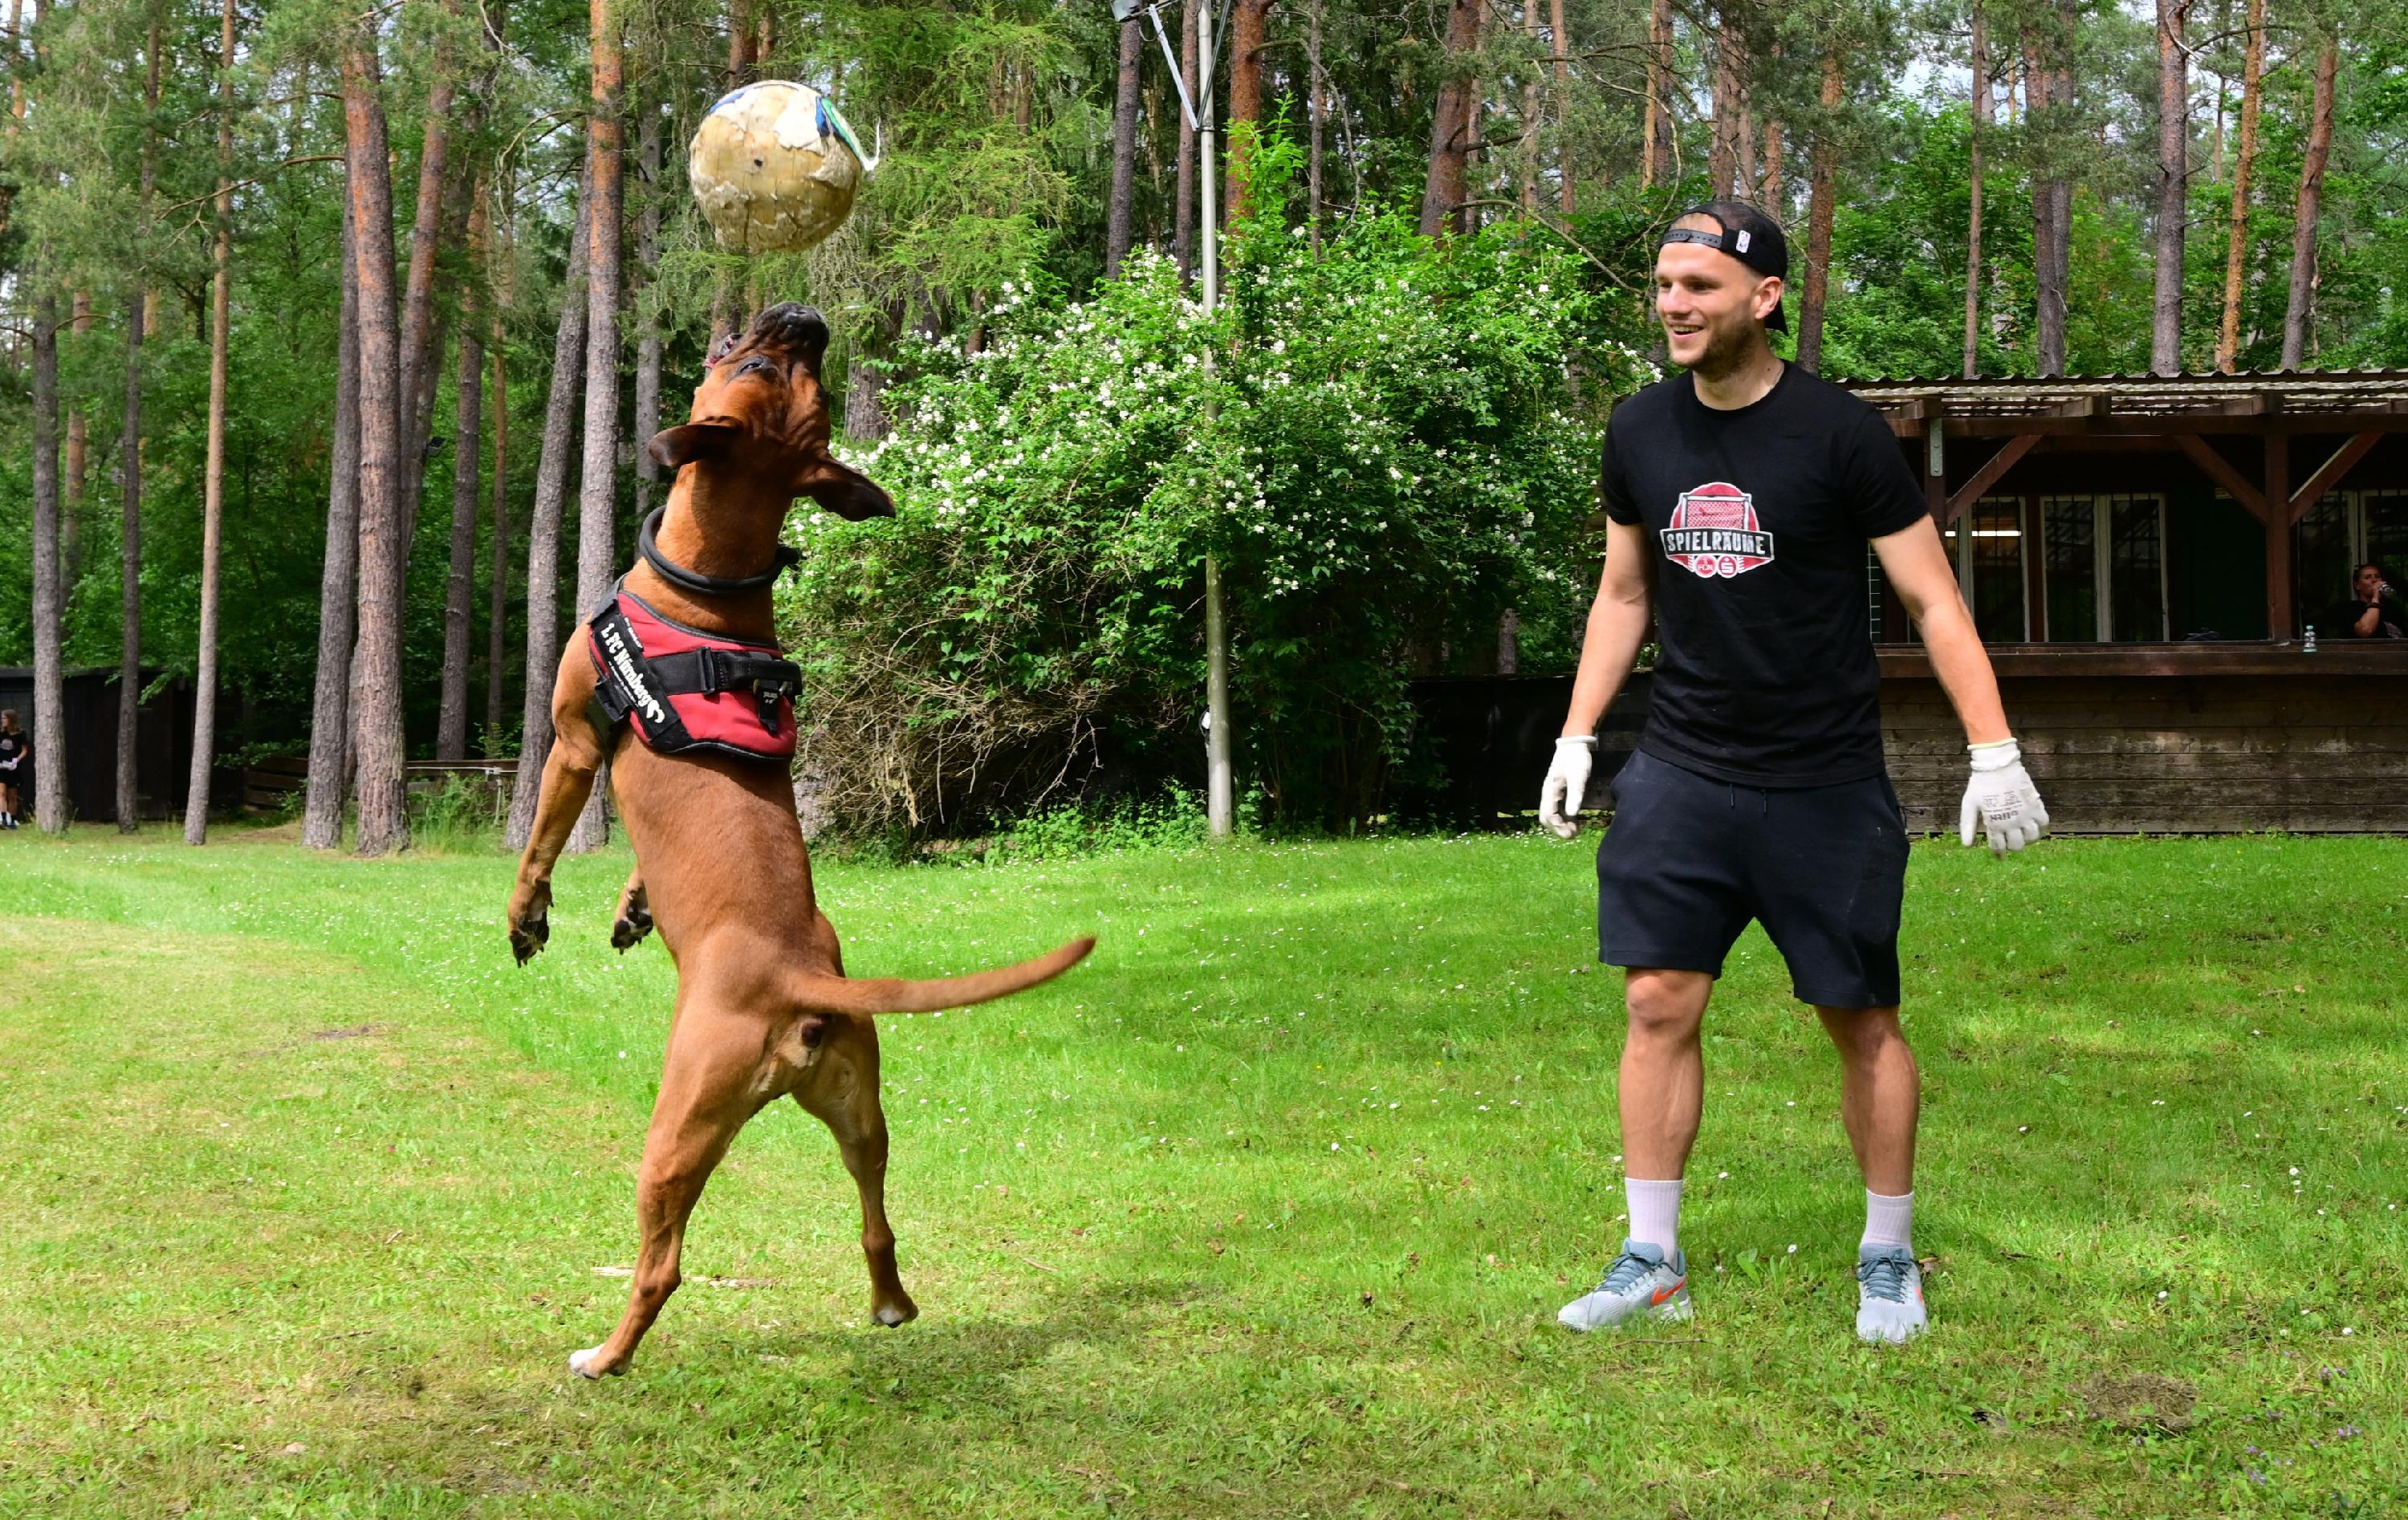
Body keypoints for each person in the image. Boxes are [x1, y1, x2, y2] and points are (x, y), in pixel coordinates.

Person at [1536, 201, 2048, 1345]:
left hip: (1823, 781)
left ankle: (1887, 1254)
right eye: (1664, 284)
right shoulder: (1640, 431)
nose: (1673, 304)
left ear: (1763, 298)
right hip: (1682, 768)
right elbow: (1624, 595)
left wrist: (1995, 748)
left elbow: (1930, 595)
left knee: (1858, 1016)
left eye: (1699, 286)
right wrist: (1578, 735)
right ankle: (1652, 1258)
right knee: (1656, 1000)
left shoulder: (1840, 434)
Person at [2319, 562, 2407, 640]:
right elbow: (2365, 631)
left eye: (2377, 576)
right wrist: (2375, 597)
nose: (2374, 580)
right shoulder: (2348, 608)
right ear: (2357, 585)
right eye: (2367, 577)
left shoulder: (2393, 607)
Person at [0, 709, 27, 829]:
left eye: (5, 718)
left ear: (11, 719)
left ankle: (13, 821)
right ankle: (4, 819)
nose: (3, 721)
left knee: (12, 796)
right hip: (1, 768)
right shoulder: (1, 733)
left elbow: (24, 750)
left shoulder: (21, 734)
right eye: (2, 718)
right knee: (1, 793)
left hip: (13, 768)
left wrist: (16, 760)